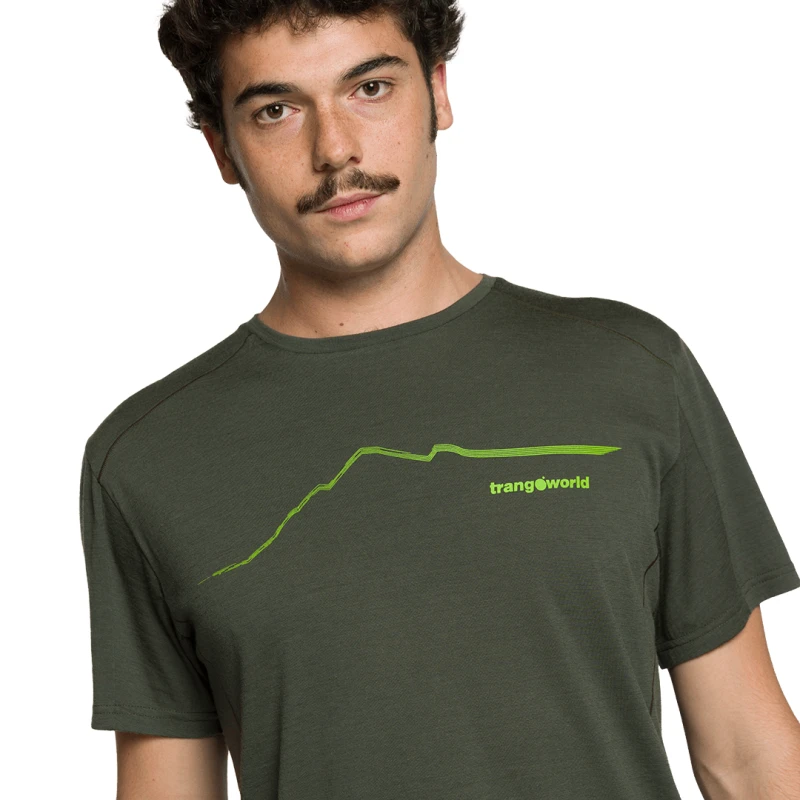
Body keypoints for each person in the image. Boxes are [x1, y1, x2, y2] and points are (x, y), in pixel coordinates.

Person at [78, 1, 800, 798]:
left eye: (370, 88)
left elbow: (748, 758)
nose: (335, 149)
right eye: (277, 110)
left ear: (438, 93)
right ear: (223, 148)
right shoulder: (149, 459)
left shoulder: (630, 372)